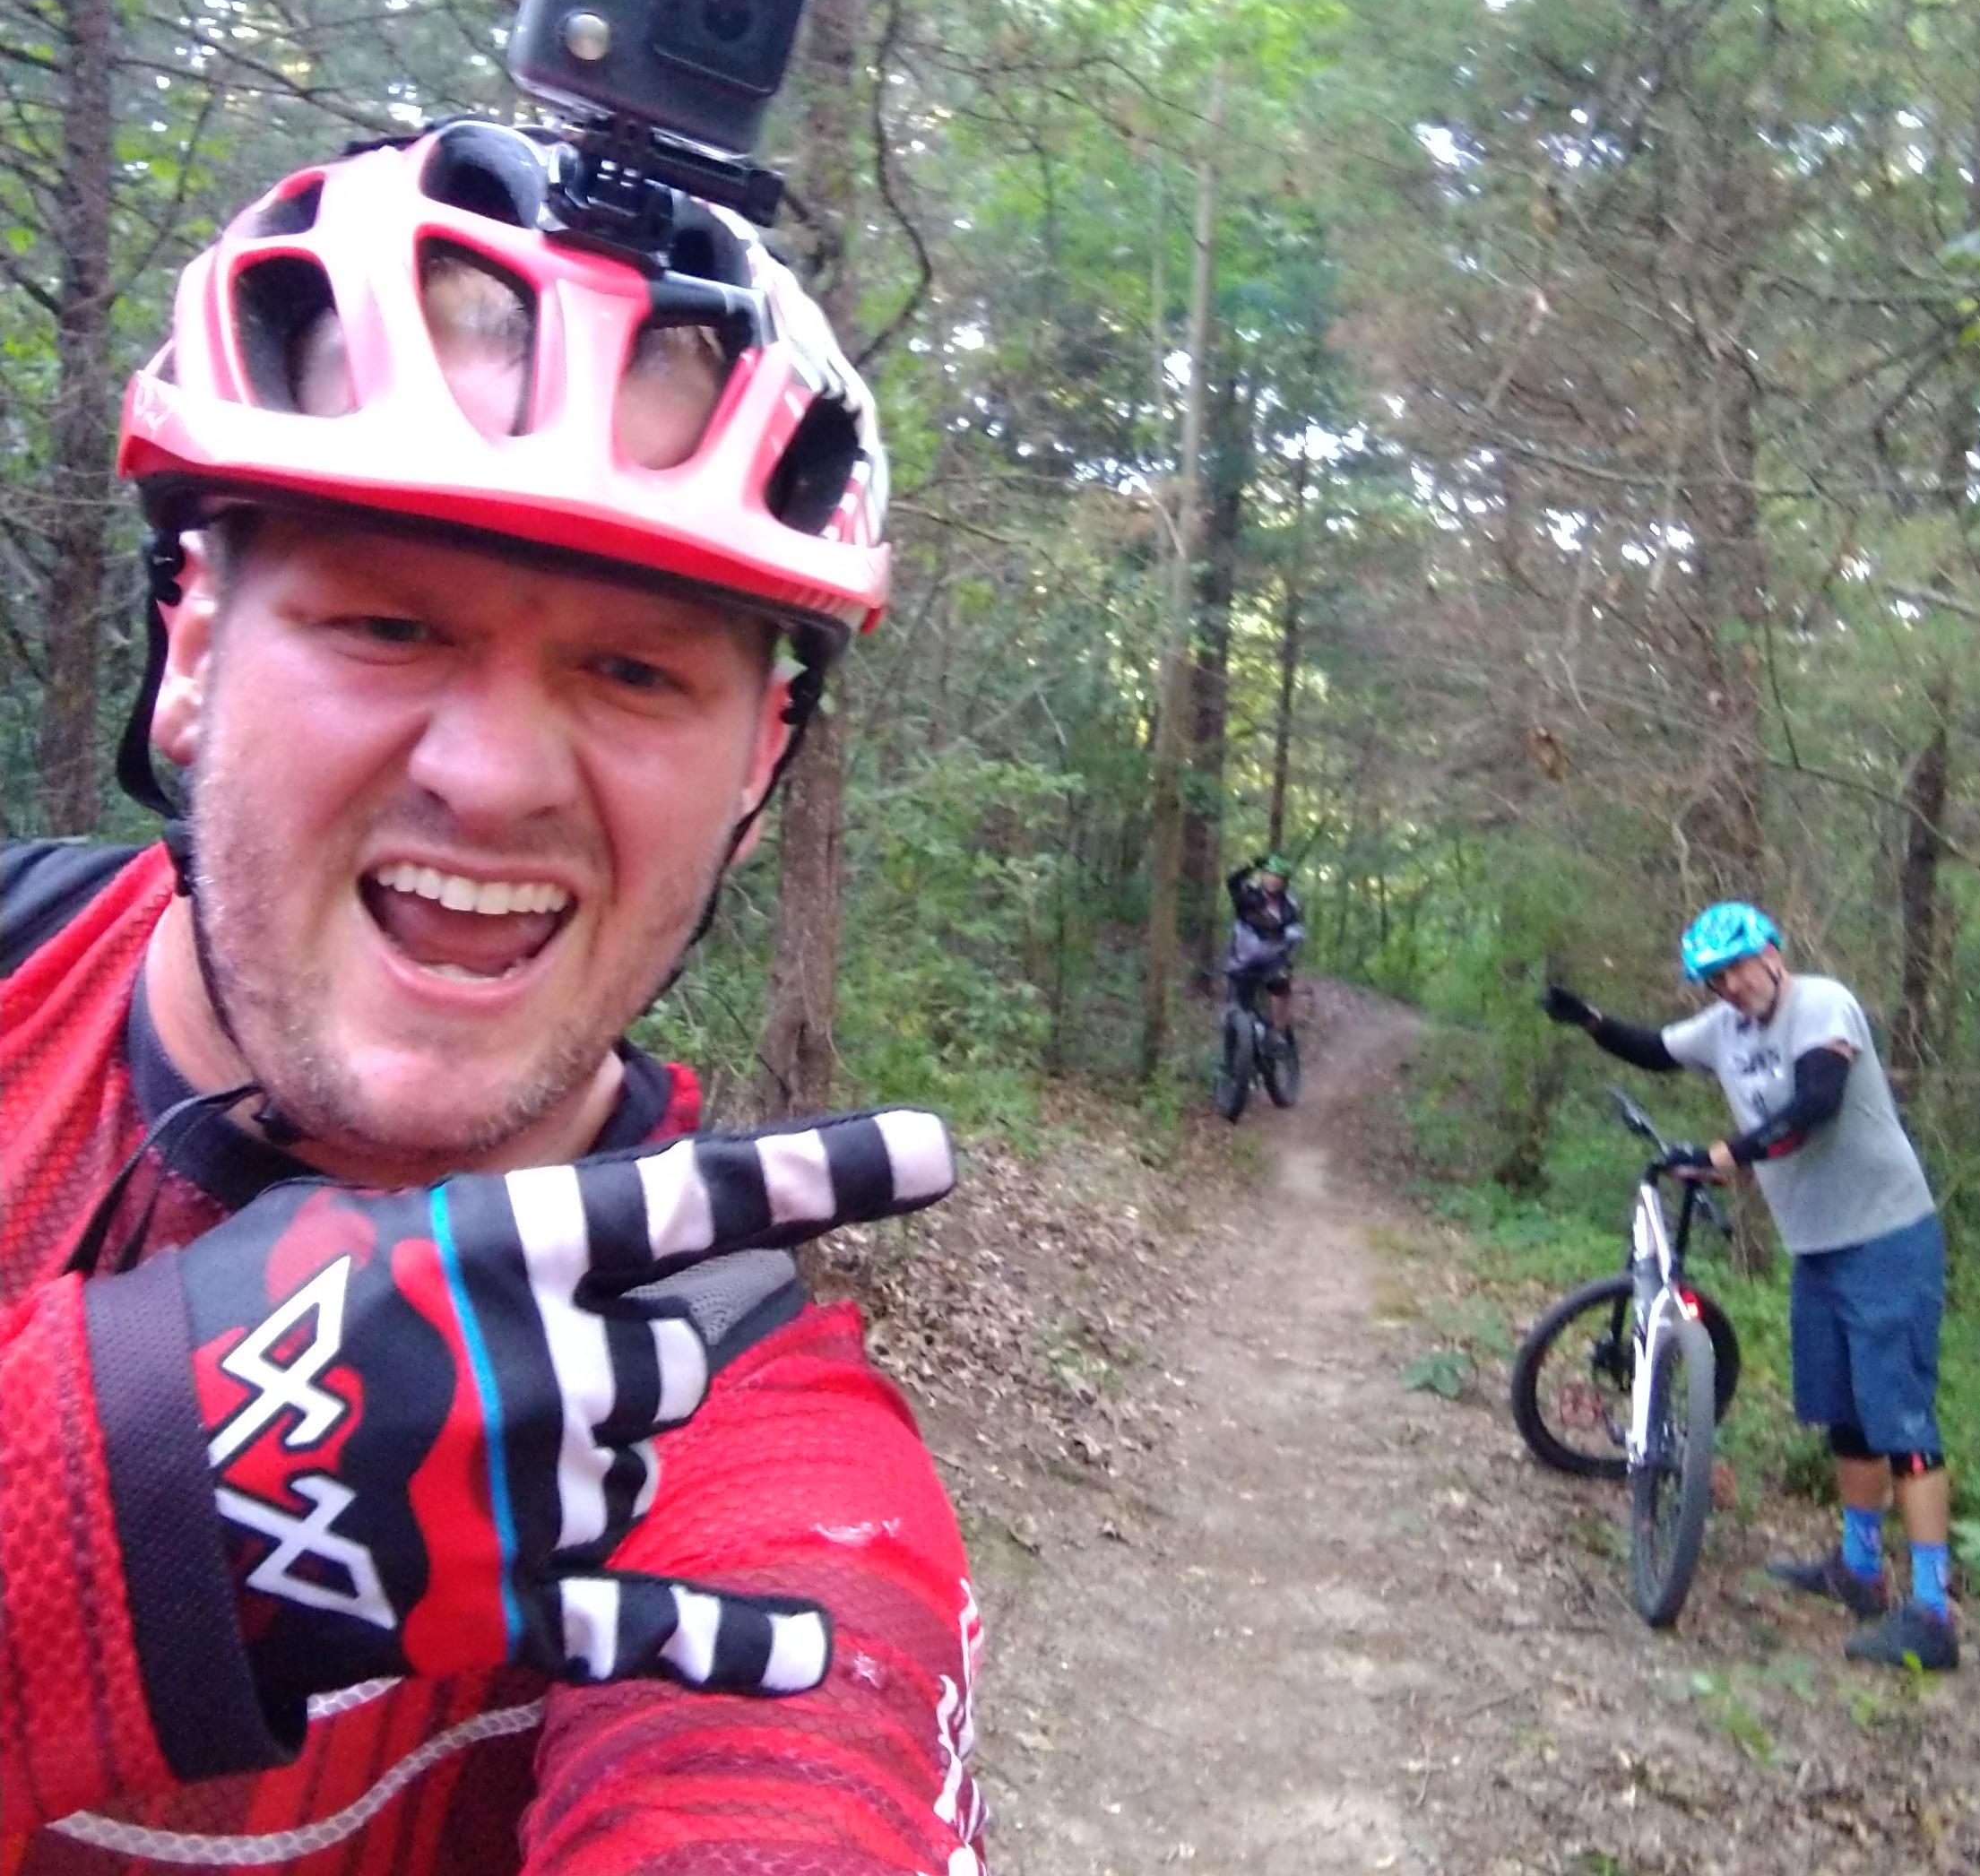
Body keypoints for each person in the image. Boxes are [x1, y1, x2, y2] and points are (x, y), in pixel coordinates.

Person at [0, 120, 988, 1871]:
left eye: (632, 669)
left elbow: (793, 1785)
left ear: (756, 767)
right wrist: (112, 1523)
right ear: (196, 651)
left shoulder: (739, 1434)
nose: (495, 773)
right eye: (387, 623)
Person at [1542, 901, 1957, 1672]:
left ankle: (1933, 1613)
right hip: (1819, 1248)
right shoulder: (1726, 1029)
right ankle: (1859, 1569)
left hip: (1887, 1237)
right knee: (1845, 1417)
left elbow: (1816, 1104)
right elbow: (1657, 1050)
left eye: (1737, 966)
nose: (1730, 986)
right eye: (1714, 977)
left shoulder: (1820, 1004)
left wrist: (1728, 1153)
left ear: (1772, 952)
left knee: (1902, 1420)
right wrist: (1592, 1020)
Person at [1224, 854, 1304, 1039]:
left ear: (1284, 882)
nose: (1273, 881)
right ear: (1262, 876)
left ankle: (1279, 1033)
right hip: (1242, 960)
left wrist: (1291, 940)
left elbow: (1297, 929)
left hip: (1273, 961)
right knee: (1234, 1011)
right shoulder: (1248, 896)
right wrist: (1251, 864)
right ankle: (1230, 1060)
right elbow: (1232, 882)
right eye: (1269, 875)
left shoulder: (1289, 905)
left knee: (1281, 984)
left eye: (1278, 877)